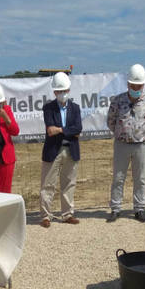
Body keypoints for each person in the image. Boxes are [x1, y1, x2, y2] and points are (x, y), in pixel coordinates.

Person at [106, 63, 145, 223]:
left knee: (140, 178)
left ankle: (139, 208)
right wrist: (122, 133)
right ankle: (115, 208)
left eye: (139, 85)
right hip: (122, 144)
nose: (136, 87)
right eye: (133, 85)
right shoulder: (117, 100)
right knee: (118, 177)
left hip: (142, 145)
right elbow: (111, 121)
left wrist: (143, 134)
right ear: (128, 84)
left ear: (143, 85)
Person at [39, 72, 82, 227]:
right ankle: (45, 216)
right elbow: (50, 130)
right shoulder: (48, 108)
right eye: (59, 91)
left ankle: (67, 214)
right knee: (47, 184)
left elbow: (78, 129)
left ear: (68, 90)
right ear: (54, 92)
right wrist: (68, 130)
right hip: (53, 150)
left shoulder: (75, 108)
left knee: (69, 183)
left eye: (64, 90)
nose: (62, 93)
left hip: (71, 150)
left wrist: (61, 130)